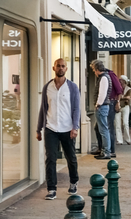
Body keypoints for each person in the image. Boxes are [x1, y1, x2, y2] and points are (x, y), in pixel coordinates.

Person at [36, 58, 80, 200]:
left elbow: (76, 109)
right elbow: (43, 109)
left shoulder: (72, 87)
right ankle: (51, 189)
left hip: (67, 129)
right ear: (53, 68)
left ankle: (73, 181)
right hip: (51, 128)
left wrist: (75, 127)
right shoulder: (47, 87)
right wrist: (38, 129)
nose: (61, 68)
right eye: (58, 66)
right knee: (51, 158)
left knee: (71, 158)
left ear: (66, 69)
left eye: (63, 66)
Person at [91, 59, 113, 160]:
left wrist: (98, 104)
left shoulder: (103, 78)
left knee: (103, 129)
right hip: (103, 106)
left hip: (102, 106)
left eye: (94, 70)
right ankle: (103, 149)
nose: (94, 72)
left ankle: (106, 151)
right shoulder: (106, 76)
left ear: (97, 69)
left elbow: (102, 93)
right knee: (98, 128)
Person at [115, 75, 131, 145]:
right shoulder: (117, 88)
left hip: (125, 106)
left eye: (121, 80)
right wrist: (123, 97)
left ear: (124, 81)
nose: (119, 81)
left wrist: (121, 97)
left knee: (125, 123)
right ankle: (119, 140)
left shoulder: (128, 89)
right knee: (117, 124)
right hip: (118, 107)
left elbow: (128, 97)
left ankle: (127, 139)